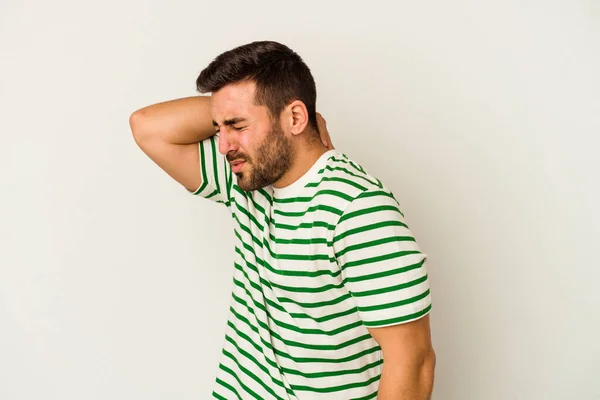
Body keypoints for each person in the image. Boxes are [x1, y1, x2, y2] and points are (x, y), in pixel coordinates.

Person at [130, 40, 435, 400]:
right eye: (217, 127)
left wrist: (286, 106)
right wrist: (235, 110)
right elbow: (147, 126)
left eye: (236, 124)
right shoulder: (246, 179)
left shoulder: (357, 209)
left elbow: (412, 364)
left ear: (294, 118)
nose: (223, 144)